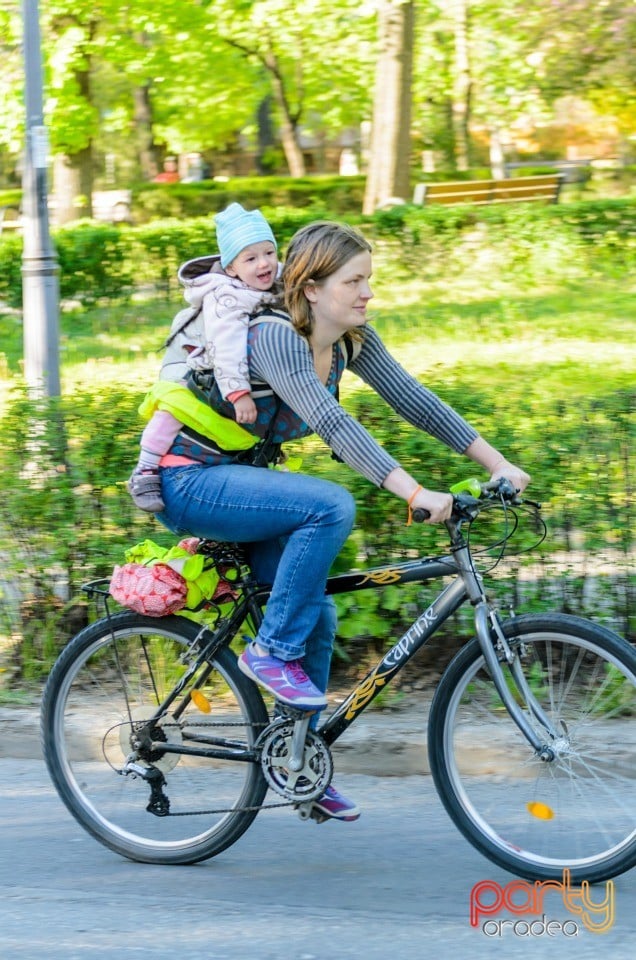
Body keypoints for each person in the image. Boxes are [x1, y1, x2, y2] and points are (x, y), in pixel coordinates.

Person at [155, 221, 530, 822]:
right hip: (189, 479)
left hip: (243, 483)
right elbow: (333, 424)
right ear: (310, 288)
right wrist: (413, 491)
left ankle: (298, 762)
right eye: (354, 281)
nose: (367, 294)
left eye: (369, 281)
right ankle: (269, 652)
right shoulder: (274, 337)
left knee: (317, 611)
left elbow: (414, 400)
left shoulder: (353, 339)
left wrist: (499, 463)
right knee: (329, 505)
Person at [128, 203, 282, 512]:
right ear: (231, 269)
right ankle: (145, 469)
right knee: (173, 408)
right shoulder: (226, 297)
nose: (264, 264)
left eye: (269, 253)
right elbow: (227, 348)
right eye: (250, 258)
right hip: (210, 374)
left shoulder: (275, 284)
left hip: (249, 373)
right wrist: (238, 394)